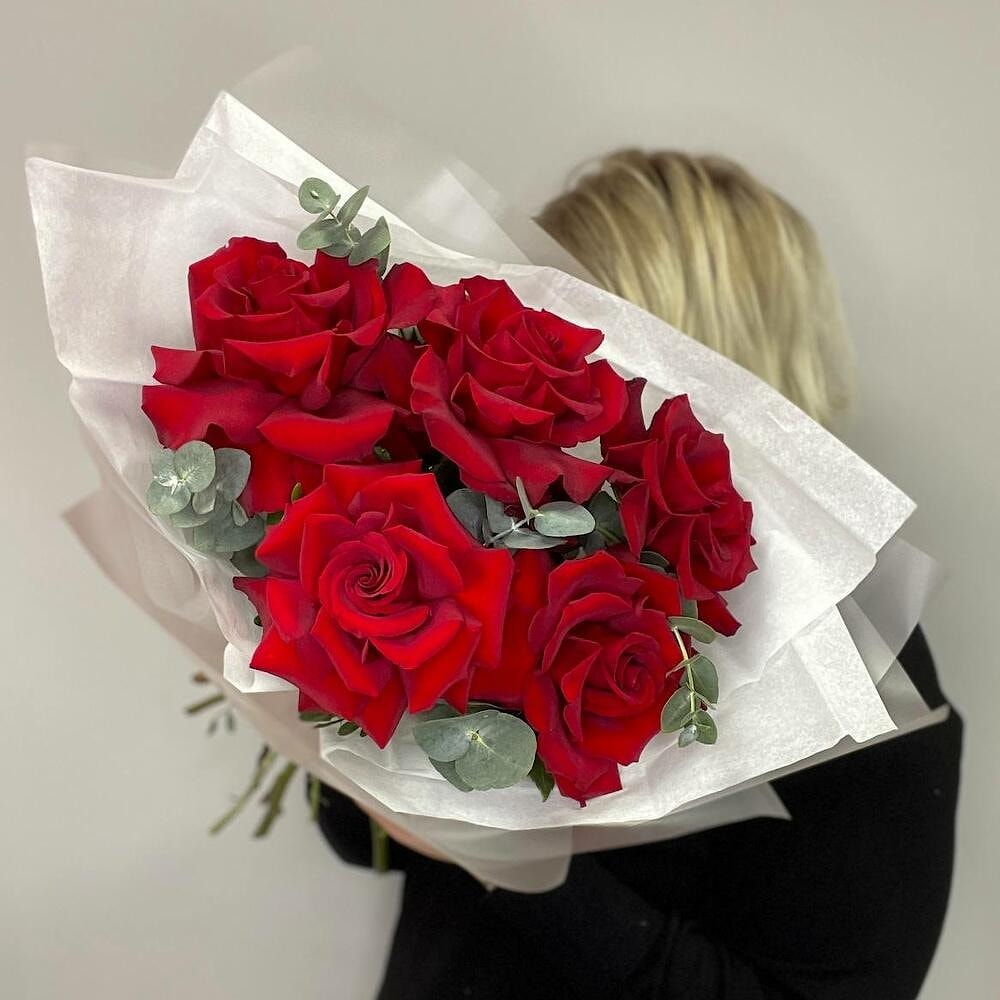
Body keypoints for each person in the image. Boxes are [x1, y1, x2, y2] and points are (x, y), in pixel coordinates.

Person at [314, 151, 962, 1000]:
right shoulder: (514, 549)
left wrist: (517, 863)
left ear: (687, 349)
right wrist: (330, 672)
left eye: (573, 321)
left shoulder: (864, 670)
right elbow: (363, 843)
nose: (541, 355)